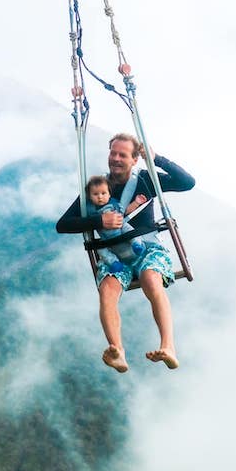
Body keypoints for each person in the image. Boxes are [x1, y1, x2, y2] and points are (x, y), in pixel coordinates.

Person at [56, 133, 195, 374]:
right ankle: (117, 350)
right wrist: (99, 220)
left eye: (122, 155)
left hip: (147, 248)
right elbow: (64, 224)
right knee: (108, 288)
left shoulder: (145, 180)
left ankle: (168, 346)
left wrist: (156, 159)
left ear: (134, 159)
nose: (116, 159)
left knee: (150, 277)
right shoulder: (96, 189)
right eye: (113, 153)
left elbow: (187, 182)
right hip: (115, 255)